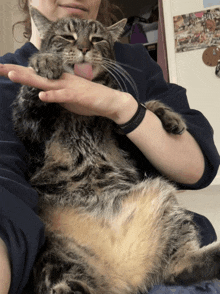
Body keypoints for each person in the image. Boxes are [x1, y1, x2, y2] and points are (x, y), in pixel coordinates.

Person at [0, 0, 219, 293]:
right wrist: (38, 83)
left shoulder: (132, 66)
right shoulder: (8, 75)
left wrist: (127, 108)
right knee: (48, 237)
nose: (82, 47)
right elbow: (21, 145)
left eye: (95, 41)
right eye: (66, 39)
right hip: (69, 225)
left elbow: (197, 168)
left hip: (140, 230)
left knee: (160, 195)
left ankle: (182, 264)